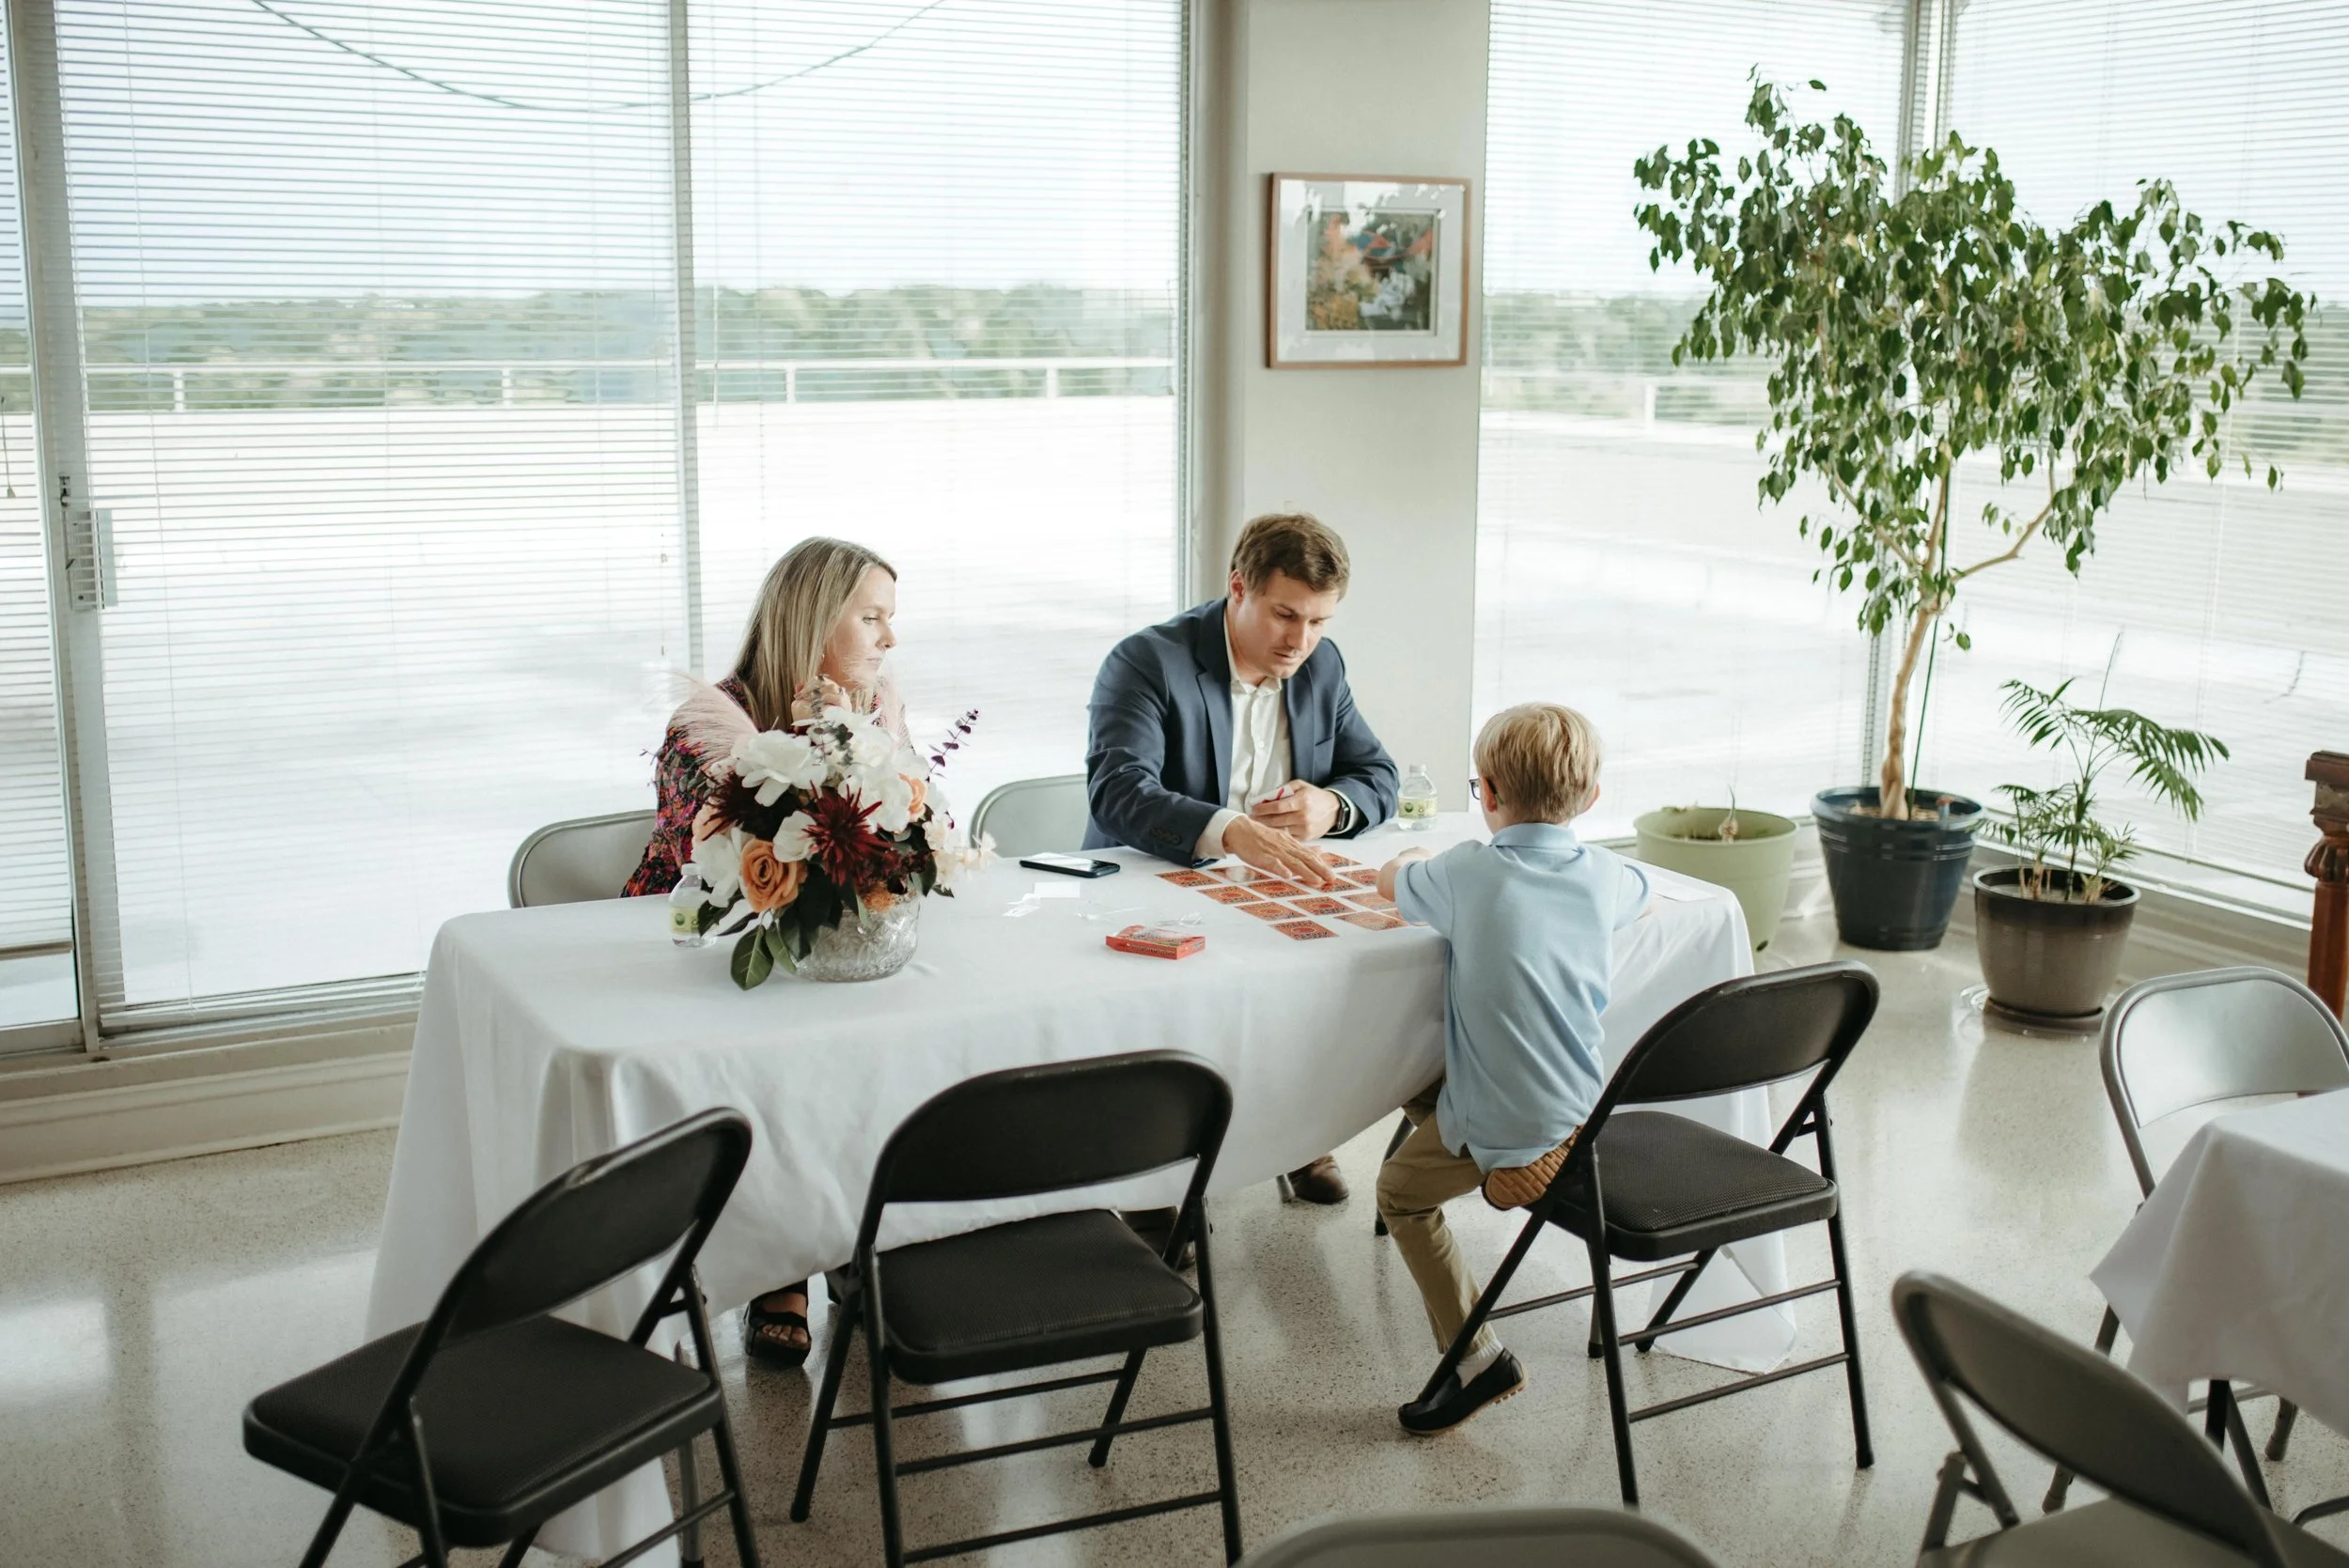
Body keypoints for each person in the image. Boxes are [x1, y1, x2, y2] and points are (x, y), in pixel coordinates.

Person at [624, 535, 901, 1370]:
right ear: (815, 622)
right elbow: (706, 869)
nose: (890, 641)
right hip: (707, 945)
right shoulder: (710, 719)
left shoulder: (873, 703)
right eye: (874, 618)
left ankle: (850, 1229)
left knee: (874, 1038)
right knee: (778, 1058)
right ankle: (783, 1263)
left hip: (823, 935)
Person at [1085, 511, 1399, 1204]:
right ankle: (1153, 1187)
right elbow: (1117, 792)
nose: (1301, 640)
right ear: (1238, 587)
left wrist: (1333, 807)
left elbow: (1379, 775)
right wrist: (1228, 830)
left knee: (1333, 981)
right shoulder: (1147, 660)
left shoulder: (1321, 665)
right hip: (1153, 886)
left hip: (1266, 896)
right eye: (1287, 615)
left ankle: (1297, 1132)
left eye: (1320, 621)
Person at [1372, 702, 1650, 1435]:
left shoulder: (1467, 871)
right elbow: (1643, 894)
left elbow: (1390, 885)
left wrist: (1405, 862)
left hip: (1509, 1116)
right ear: (1591, 800)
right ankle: (1513, 1145)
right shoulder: (1608, 876)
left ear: (1486, 793)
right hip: (1580, 1102)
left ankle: (1476, 1355)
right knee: (1419, 1075)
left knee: (1399, 1193)